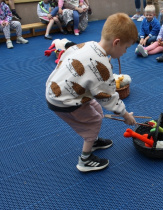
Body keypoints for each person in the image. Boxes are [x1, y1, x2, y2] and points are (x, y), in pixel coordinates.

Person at [45, 13, 138, 172]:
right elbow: (109, 98)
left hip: (58, 90)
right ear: (116, 43)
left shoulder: (86, 45)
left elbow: (65, 58)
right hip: (64, 100)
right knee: (94, 121)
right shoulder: (102, 66)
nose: (125, 52)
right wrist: (125, 115)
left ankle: (93, 141)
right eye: (126, 48)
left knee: (96, 108)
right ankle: (85, 159)